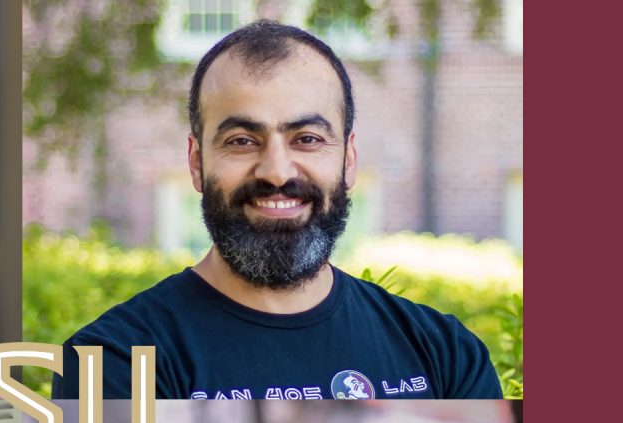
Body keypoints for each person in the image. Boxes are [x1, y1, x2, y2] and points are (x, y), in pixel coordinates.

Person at [50, 21, 502, 400]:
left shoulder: (445, 355)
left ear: (348, 160)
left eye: (307, 138)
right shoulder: (111, 364)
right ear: (195, 162)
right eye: (242, 141)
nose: (276, 172)